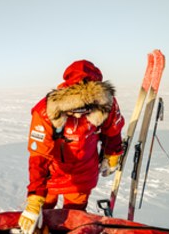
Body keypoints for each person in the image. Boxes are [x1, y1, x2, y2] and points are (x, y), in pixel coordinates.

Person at [18, 60, 125, 234]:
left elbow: (112, 131)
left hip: (82, 175)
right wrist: (34, 200)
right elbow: (39, 156)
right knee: (42, 218)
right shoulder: (46, 111)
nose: (79, 114)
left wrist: (112, 155)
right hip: (51, 176)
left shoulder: (107, 105)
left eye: (86, 110)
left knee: (74, 219)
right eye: (75, 109)